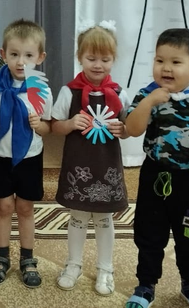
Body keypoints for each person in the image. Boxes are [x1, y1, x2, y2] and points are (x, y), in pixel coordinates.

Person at [123, 28, 189, 308]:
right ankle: (146, 284)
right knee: (149, 232)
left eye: (176, 62)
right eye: (160, 60)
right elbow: (132, 129)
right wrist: (150, 101)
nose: (166, 68)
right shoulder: (147, 94)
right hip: (154, 176)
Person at [51, 21, 129, 295]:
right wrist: (70, 123)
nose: (98, 65)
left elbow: (129, 128)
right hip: (79, 166)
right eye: (91, 58)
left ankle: (105, 268)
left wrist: (123, 129)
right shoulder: (69, 92)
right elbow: (54, 126)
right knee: (78, 216)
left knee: (104, 218)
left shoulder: (120, 94)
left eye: (105, 59)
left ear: (113, 59)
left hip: (106, 165)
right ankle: (73, 264)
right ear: (80, 57)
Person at [0, 19, 53, 288]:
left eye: (29, 55)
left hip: (29, 156)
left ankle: (27, 258)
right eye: (14, 54)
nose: (21, 62)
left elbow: (48, 127)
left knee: (25, 207)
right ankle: (1, 257)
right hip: (1, 155)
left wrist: (39, 125)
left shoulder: (42, 89)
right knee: (3, 206)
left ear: (40, 57)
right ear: (3, 54)